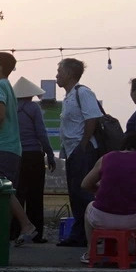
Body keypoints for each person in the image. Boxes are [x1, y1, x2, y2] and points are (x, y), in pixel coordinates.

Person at [0, 52, 36, 246]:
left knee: (0, 190)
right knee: (3, 192)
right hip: (11, 147)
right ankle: (3, 231)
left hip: (1, 147)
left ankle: (26, 224)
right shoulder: (8, 88)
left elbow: (0, 115)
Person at [81, 129, 136, 263]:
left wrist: (99, 191)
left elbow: (85, 184)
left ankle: (90, 252)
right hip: (134, 220)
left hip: (102, 218)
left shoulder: (106, 157)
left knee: (89, 206)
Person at [54, 58, 104, 247]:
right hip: (72, 150)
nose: (57, 75)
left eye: (59, 71)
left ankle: (89, 234)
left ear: (68, 74)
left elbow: (92, 119)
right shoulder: (69, 97)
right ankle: (80, 234)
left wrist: (83, 144)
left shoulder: (83, 93)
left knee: (83, 192)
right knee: (75, 193)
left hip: (81, 150)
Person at [15, 77, 52, 242]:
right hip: (34, 155)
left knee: (18, 194)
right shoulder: (33, 108)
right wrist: (49, 153)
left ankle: (16, 230)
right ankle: (36, 234)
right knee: (35, 195)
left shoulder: (11, 109)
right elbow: (41, 133)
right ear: (31, 95)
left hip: (17, 155)